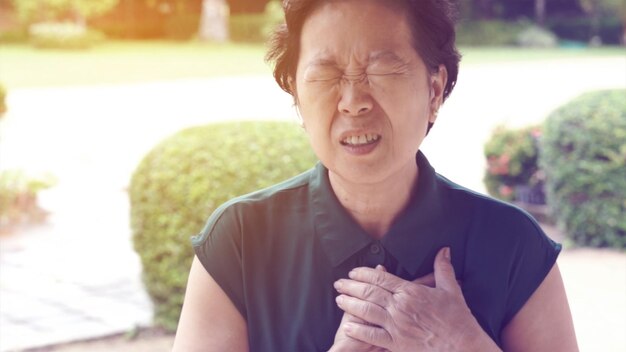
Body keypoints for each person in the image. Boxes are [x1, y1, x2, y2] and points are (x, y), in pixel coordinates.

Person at [173, 0, 579, 351]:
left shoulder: (515, 246)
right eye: (326, 75)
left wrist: (465, 345)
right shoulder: (239, 242)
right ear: (297, 95)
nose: (353, 102)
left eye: (382, 71)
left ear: (434, 91)